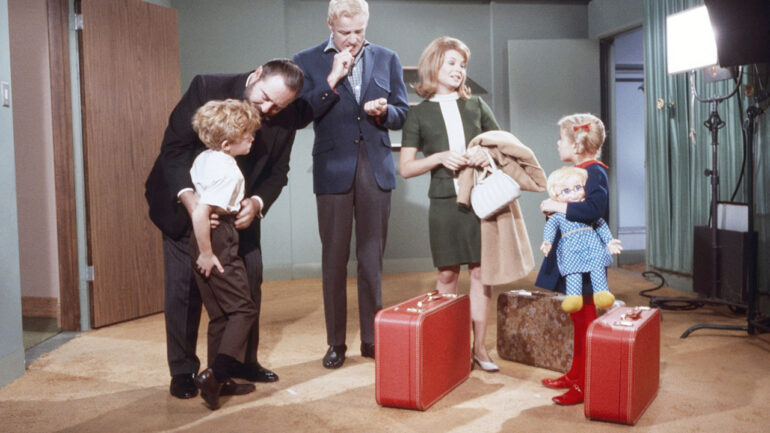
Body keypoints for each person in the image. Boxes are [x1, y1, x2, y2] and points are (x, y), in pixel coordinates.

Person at [144, 59, 304, 399]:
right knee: (184, 291)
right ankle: (185, 371)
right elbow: (173, 152)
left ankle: (236, 364)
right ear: (257, 74)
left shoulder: (285, 115)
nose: (266, 109)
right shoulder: (206, 86)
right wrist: (192, 204)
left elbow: (278, 172)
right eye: (263, 98)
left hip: (239, 212)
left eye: (277, 105)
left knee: (249, 285)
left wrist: (257, 203)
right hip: (186, 204)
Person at [292, 0, 409, 369]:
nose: (354, 39)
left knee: (371, 259)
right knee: (333, 260)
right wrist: (332, 79)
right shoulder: (307, 59)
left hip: (375, 168)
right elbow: (302, 114)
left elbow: (402, 111)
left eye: (360, 31)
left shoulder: (387, 58)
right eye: (346, 32)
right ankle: (335, 343)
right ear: (330, 24)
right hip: (332, 169)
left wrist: (384, 112)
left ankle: (372, 340)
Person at [399, 36, 501, 372]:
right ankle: (448, 348)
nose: (459, 70)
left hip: (480, 199)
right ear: (434, 66)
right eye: (451, 63)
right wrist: (440, 157)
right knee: (446, 274)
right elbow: (406, 168)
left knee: (480, 274)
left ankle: (480, 349)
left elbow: (503, 148)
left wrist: (484, 153)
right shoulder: (419, 115)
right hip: (444, 203)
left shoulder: (477, 107)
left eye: (463, 65)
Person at [188, 99, 262, 410]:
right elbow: (202, 212)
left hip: (204, 238)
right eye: (248, 135)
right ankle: (216, 375)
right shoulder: (226, 170)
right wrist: (207, 252)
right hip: (217, 239)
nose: (253, 139)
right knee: (244, 310)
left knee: (220, 313)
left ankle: (220, 378)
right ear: (228, 142)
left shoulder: (204, 158)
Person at [535, 113, 611, 405]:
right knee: (577, 319)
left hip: (587, 260)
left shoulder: (594, 172)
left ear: (577, 145)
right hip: (572, 255)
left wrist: (558, 205)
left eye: (562, 139)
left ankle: (585, 383)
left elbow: (593, 209)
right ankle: (575, 373)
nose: (558, 144)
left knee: (586, 322)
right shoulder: (578, 172)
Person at [540, 166, 621, 313]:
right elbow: (551, 227)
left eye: (578, 187)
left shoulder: (585, 210)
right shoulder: (558, 214)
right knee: (573, 272)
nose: (574, 194)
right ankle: (574, 297)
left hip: (592, 246)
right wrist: (547, 242)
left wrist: (609, 241)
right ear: (556, 197)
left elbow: (600, 223)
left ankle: (601, 293)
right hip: (571, 250)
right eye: (566, 191)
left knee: (597, 267)